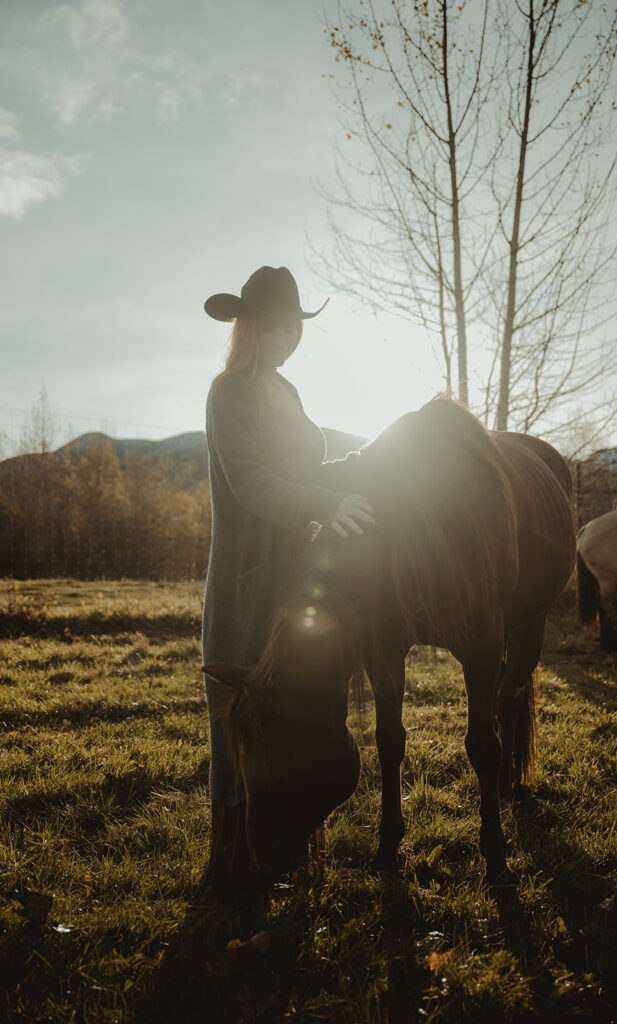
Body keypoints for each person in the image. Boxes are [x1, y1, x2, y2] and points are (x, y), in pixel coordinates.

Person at [201, 265, 374, 893]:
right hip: (249, 583)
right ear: (247, 327)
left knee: (295, 713)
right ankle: (236, 857)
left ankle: (292, 843)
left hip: (296, 579)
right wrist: (323, 505)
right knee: (244, 710)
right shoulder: (230, 392)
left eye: (292, 328)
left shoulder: (287, 392)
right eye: (271, 326)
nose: (283, 337)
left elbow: (314, 465)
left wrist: (372, 467)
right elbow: (251, 483)